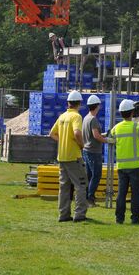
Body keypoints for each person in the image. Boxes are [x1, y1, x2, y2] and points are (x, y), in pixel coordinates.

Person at [49, 90, 89, 222]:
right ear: (79, 104)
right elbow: (77, 133)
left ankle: (64, 214)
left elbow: (52, 134)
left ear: (68, 103)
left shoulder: (62, 116)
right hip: (73, 157)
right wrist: (81, 145)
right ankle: (80, 214)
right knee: (81, 185)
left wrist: (64, 141)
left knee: (64, 187)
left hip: (62, 157)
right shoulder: (76, 116)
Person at [111, 99, 139, 224]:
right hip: (137, 165)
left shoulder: (116, 128)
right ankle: (135, 218)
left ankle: (119, 218)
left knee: (121, 193)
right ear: (132, 112)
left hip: (122, 166)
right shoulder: (138, 127)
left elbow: (110, 136)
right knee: (135, 194)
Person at [82, 95, 108, 207]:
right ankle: (90, 198)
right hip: (93, 151)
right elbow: (96, 136)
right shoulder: (93, 119)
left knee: (89, 175)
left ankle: (86, 197)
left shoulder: (86, 118)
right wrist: (107, 140)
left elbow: (92, 135)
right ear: (97, 106)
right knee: (96, 175)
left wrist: (103, 135)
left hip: (86, 150)